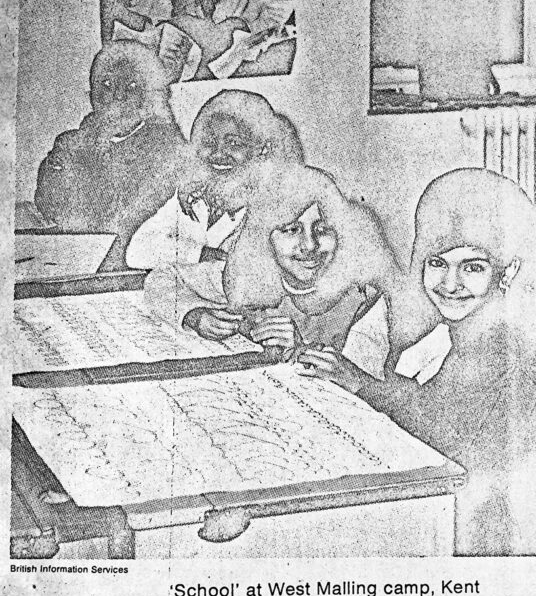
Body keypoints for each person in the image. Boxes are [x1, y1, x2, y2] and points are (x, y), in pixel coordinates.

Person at [311, 168, 536, 555]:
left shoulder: (502, 347)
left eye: (473, 267)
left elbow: (441, 426)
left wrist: (360, 384)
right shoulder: (452, 333)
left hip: (479, 536)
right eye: (437, 263)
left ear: (507, 271)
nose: (450, 284)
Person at [144, 161, 399, 360]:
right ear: (264, 238)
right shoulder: (249, 276)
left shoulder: (365, 300)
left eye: (323, 230)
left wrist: (300, 351)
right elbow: (163, 278)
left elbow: (362, 393)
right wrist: (194, 315)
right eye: (291, 230)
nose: (309, 245)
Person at [34, 40, 188, 270]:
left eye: (132, 86)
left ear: (150, 98)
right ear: (91, 95)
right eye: (106, 84)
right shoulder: (70, 143)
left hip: (128, 267)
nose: (117, 95)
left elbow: (131, 221)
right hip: (71, 260)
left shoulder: (167, 148)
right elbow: (49, 204)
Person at [126, 89, 304, 268]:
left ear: (262, 149)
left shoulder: (275, 203)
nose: (218, 153)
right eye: (209, 142)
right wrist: (200, 253)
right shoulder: (194, 197)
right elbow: (136, 252)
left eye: (234, 143)